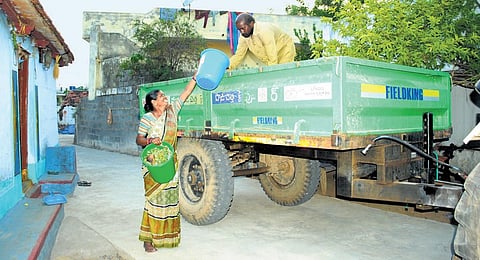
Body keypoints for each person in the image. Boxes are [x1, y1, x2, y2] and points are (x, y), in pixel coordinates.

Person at [135, 74, 197, 252]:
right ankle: (148, 240)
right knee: (153, 202)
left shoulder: (172, 111)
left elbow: (185, 92)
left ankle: (166, 238)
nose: (165, 98)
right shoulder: (147, 118)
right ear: (154, 102)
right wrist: (149, 141)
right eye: (162, 96)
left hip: (170, 164)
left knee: (169, 202)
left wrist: (195, 78)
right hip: (153, 165)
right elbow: (139, 139)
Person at [228, 13, 296, 70]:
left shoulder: (264, 31)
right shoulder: (243, 36)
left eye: (243, 28)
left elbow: (272, 57)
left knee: (282, 73)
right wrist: (228, 67)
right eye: (239, 30)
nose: (242, 32)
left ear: (251, 24)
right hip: (272, 55)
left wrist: (271, 71)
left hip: (285, 49)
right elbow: (239, 55)